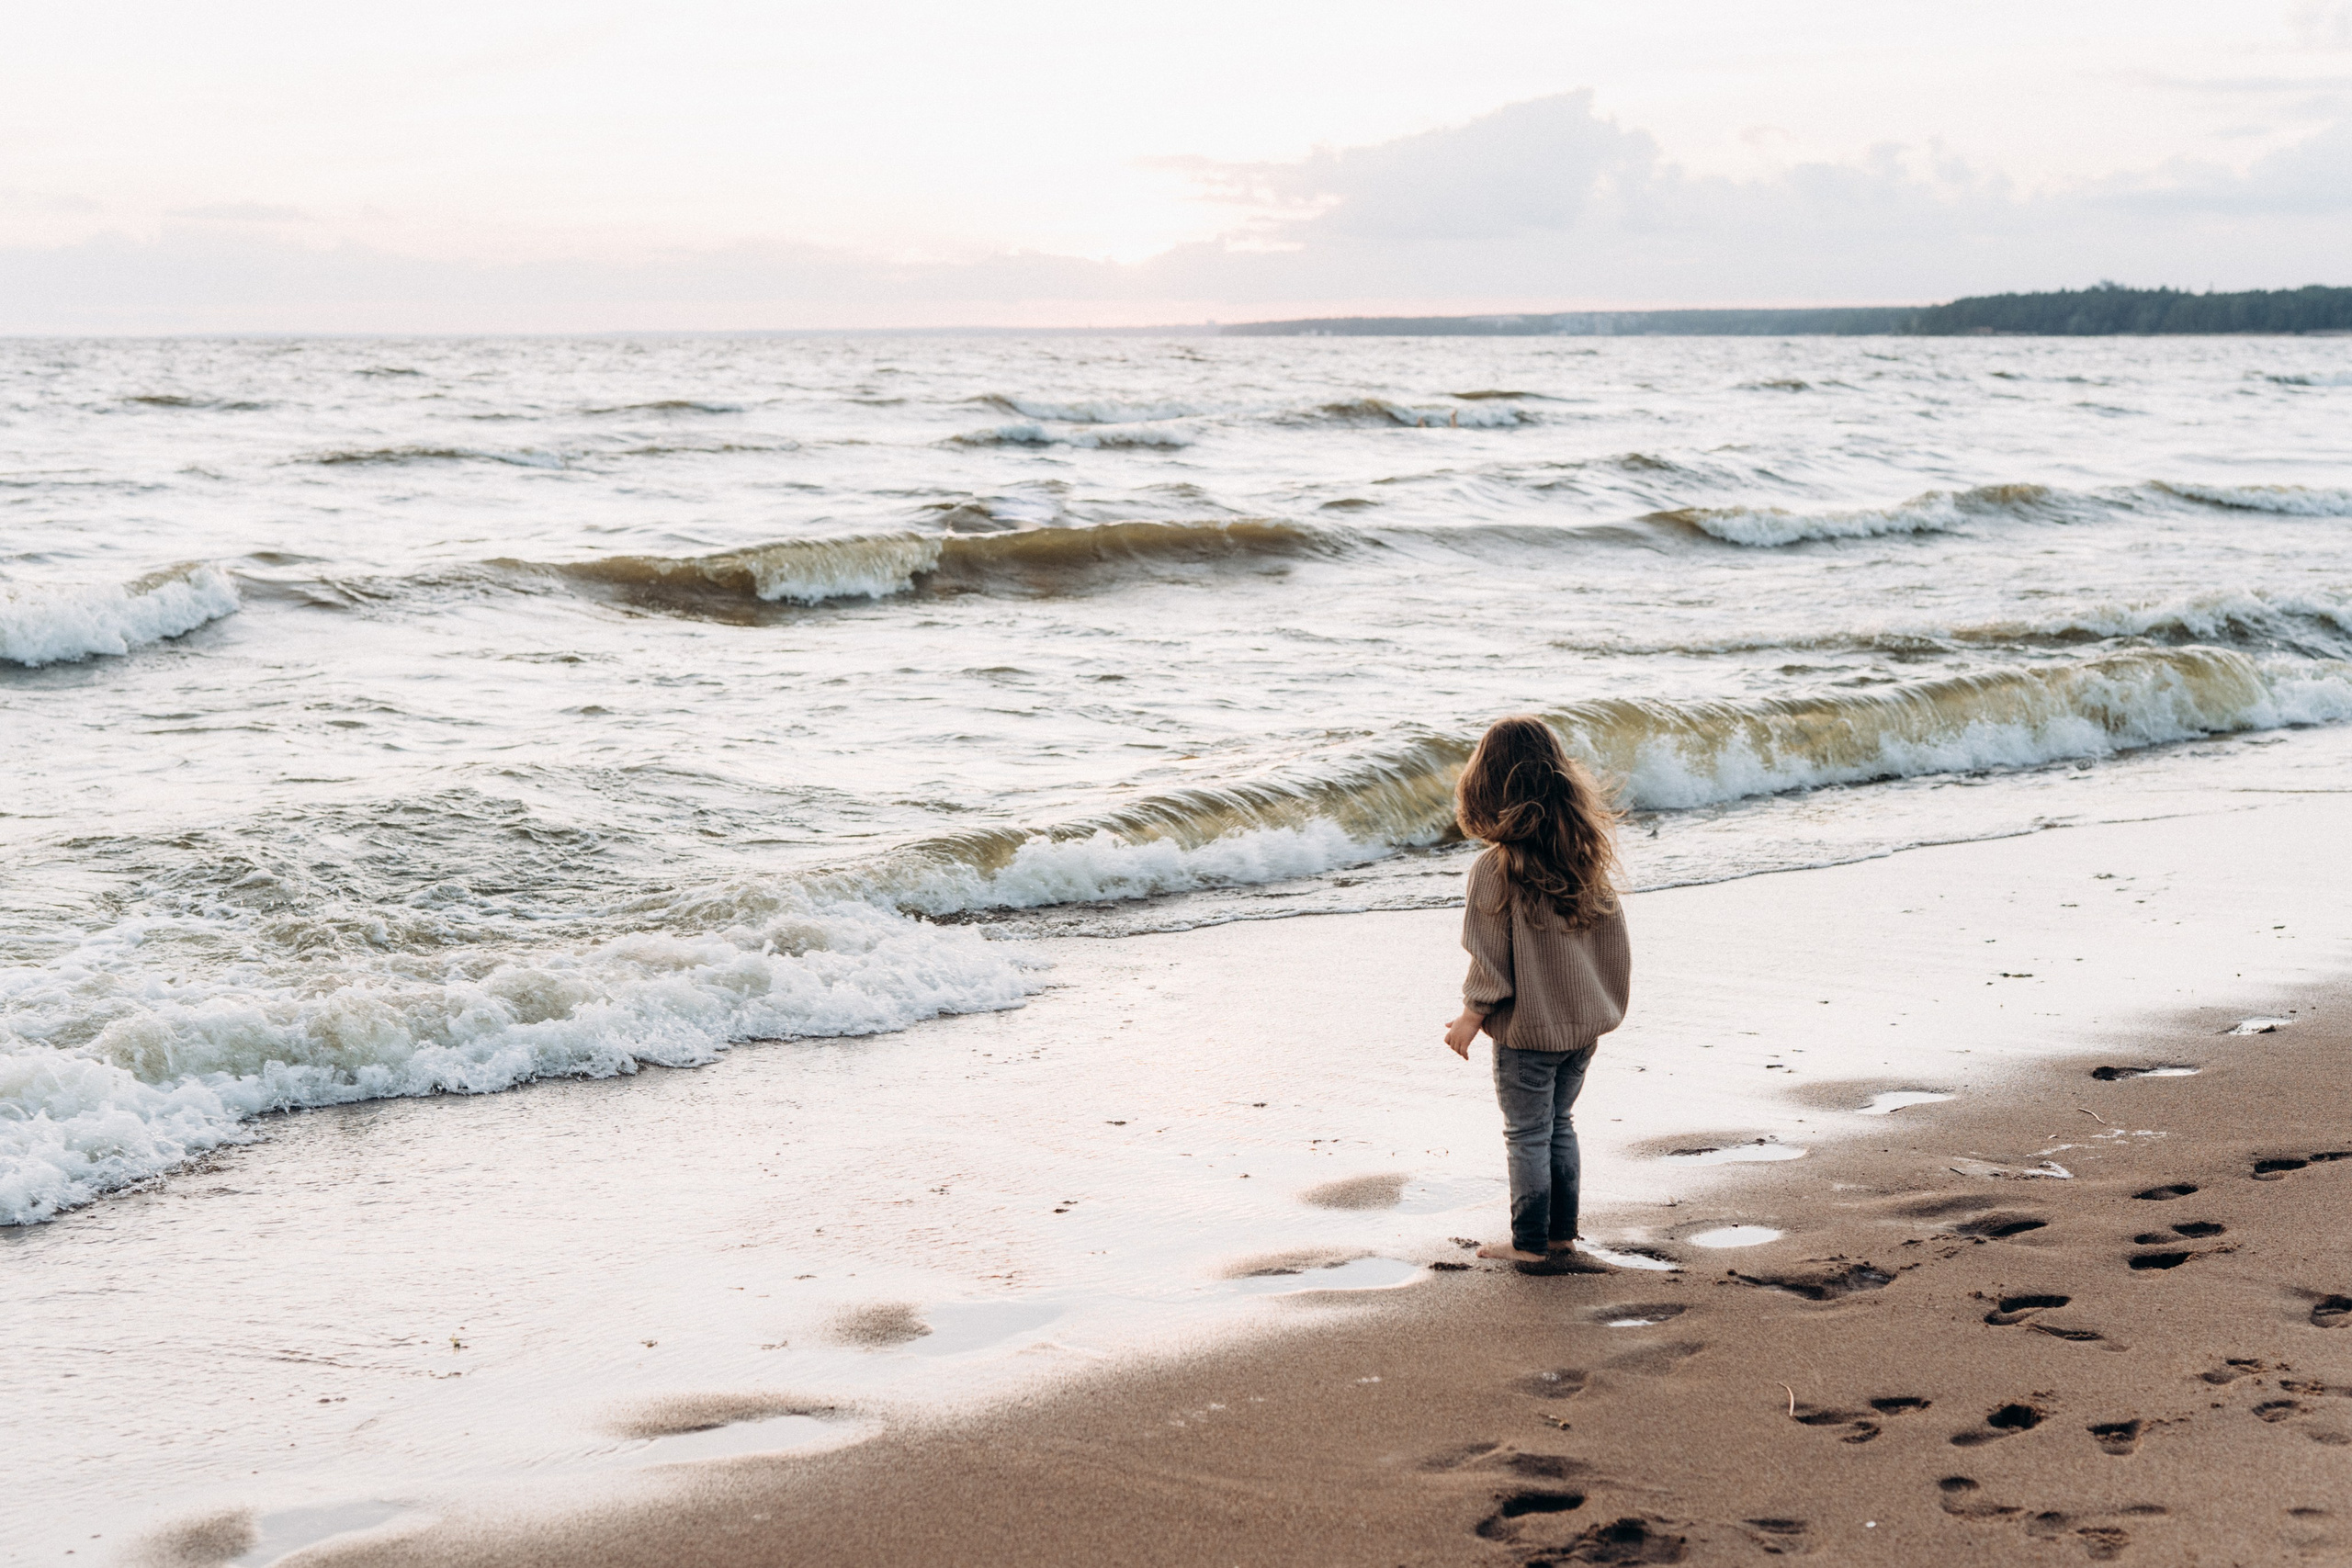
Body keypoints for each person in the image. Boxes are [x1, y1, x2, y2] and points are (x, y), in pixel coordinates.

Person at [1440, 716, 1632, 1273]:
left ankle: (1529, 1241)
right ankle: (1561, 1235)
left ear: (1487, 785)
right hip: (1581, 1028)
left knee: (1527, 1132)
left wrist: (1472, 1014)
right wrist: (1603, 1005)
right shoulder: (1583, 855)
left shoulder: (1495, 868)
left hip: (1529, 1035)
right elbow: (1611, 943)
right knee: (1559, 1125)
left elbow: (1489, 955)